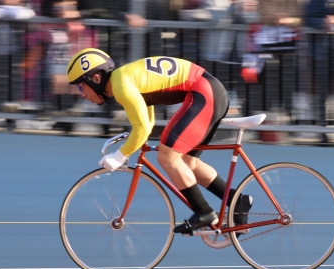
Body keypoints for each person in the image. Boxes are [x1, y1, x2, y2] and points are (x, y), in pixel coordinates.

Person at [66, 48, 250, 236]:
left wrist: (120, 155)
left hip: (204, 92)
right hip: (207, 91)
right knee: (187, 162)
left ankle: (204, 212)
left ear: (96, 79)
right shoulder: (124, 78)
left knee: (167, 157)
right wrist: (130, 145)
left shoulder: (121, 85)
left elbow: (142, 128)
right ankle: (237, 200)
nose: (82, 94)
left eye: (81, 87)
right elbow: (147, 124)